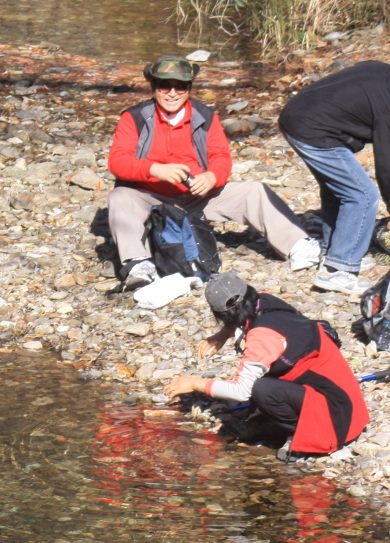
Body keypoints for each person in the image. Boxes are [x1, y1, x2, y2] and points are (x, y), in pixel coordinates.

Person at [107, 56, 318, 290]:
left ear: (189, 89)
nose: (172, 93)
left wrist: (211, 178)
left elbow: (221, 157)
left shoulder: (205, 116)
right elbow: (117, 162)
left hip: (198, 196)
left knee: (254, 190)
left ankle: (298, 245)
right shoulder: (134, 117)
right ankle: (138, 264)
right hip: (150, 198)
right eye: (165, 86)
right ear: (154, 87)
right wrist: (154, 169)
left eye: (181, 86)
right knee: (119, 197)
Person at [163, 272, 367, 461]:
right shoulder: (265, 301)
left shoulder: (261, 337)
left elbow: (241, 391)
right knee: (262, 382)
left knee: (261, 389)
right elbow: (240, 312)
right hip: (345, 394)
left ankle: (303, 435)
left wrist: (194, 383)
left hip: (337, 417)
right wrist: (223, 334)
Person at [277, 60, 390, 295]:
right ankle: (339, 271)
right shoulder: (387, 102)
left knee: (338, 189)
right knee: (363, 195)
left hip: (296, 115)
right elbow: (386, 165)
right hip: (312, 129)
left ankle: (334, 252)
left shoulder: (381, 72)